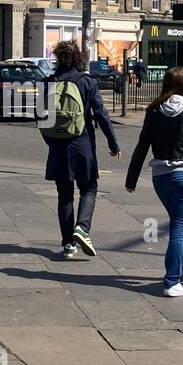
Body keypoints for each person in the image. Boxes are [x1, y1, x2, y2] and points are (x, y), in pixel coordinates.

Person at [124, 66, 183, 296]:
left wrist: (131, 180)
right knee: (178, 227)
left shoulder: (153, 112)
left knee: (176, 221)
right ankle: (171, 281)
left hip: (160, 178)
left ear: (166, 84)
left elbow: (142, 147)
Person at [41, 40, 120, 259]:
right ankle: (82, 228)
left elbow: (41, 119)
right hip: (82, 143)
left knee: (64, 196)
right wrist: (113, 143)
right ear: (78, 59)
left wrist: (51, 141)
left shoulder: (47, 82)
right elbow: (101, 115)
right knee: (89, 188)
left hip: (58, 146)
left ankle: (68, 244)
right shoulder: (87, 82)